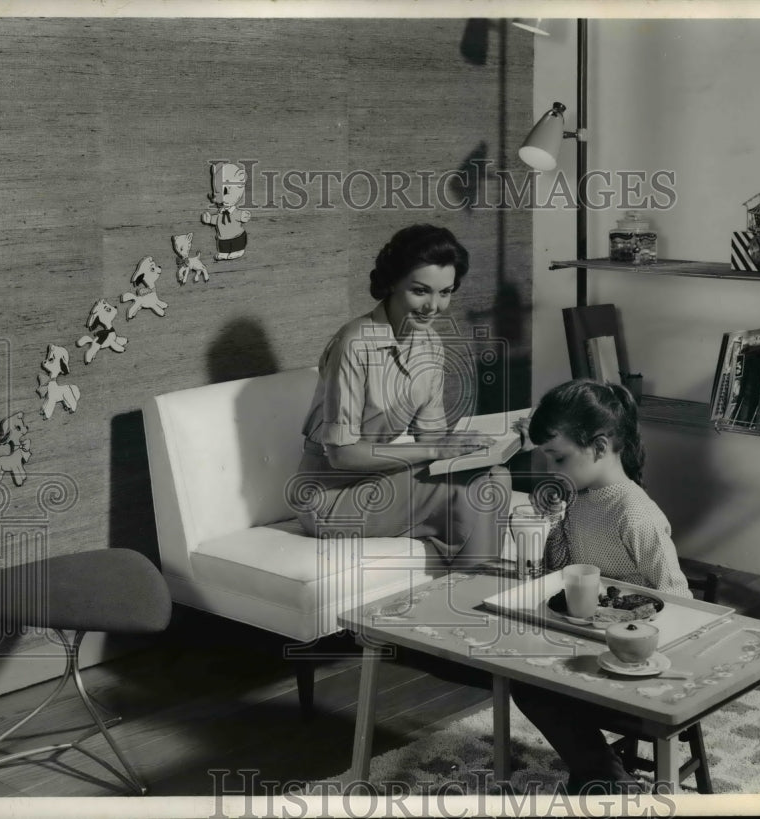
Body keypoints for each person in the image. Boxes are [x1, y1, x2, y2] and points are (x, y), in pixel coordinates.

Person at [510, 379, 692, 794]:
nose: (552, 471)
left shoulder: (634, 513)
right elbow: (557, 573)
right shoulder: (581, 498)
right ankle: (605, 775)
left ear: (599, 447)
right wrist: (555, 519)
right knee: (524, 681)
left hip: (634, 657)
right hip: (587, 643)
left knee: (541, 688)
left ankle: (601, 776)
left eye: (559, 458)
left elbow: (679, 598)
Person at [292, 223, 511, 568]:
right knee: (477, 489)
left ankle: (475, 584)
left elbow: (433, 439)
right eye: (421, 291)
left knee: (495, 474)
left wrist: (489, 444)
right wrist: (438, 450)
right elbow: (341, 455)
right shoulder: (354, 343)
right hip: (328, 498)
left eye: (445, 292)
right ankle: (477, 587)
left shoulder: (430, 345)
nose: (433, 306)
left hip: (382, 480)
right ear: (393, 282)